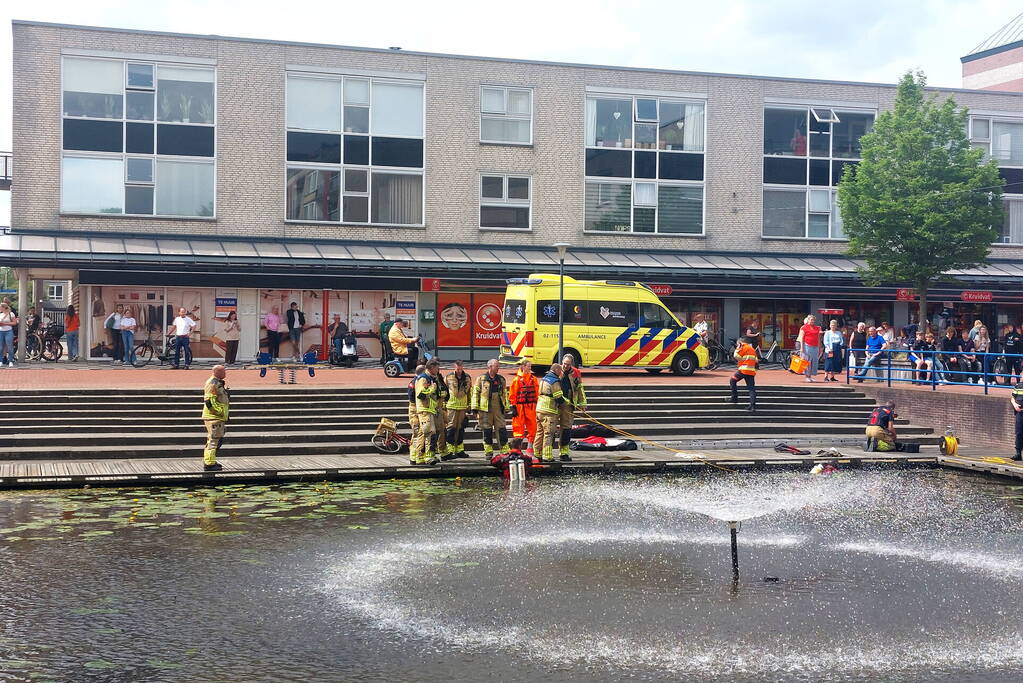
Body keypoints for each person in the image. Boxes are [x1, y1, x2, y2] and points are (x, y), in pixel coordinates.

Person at [471, 358, 510, 458]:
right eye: (496, 366)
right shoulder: (481, 378)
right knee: (487, 431)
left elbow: (504, 394)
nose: (498, 368)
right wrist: (474, 408)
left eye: (498, 366)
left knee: (501, 429)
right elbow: (476, 393)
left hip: (498, 408)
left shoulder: (501, 379)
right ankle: (488, 451)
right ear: (490, 367)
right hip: (485, 409)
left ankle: (504, 450)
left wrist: (507, 407)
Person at [412, 359, 443, 466]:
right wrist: (432, 389)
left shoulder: (431, 378)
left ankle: (420, 457)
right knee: (430, 433)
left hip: (430, 409)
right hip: (425, 410)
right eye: (437, 368)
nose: (438, 370)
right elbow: (421, 394)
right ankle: (429, 456)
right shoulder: (423, 379)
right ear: (432, 368)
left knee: (422, 434)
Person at [558, 354, 587, 461]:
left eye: (568, 364)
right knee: (550, 430)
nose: (565, 366)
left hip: (569, 404)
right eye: (564, 364)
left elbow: (580, 389)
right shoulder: (556, 370)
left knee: (566, 429)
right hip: (556, 404)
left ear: (572, 364)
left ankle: (564, 452)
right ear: (562, 362)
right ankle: (546, 453)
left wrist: (582, 403)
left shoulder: (576, 373)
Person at [534, 363, 565, 462]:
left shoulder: (543, 379)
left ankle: (537, 453)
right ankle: (547, 456)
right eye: (560, 371)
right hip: (549, 411)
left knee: (540, 432)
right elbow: (558, 397)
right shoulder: (554, 381)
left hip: (539, 409)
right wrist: (567, 402)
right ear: (556, 370)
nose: (561, 373)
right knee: (549, 433)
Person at [201, 364, 230, 471]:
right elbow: (209, 401)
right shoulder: (212, 383)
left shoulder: (217, 383)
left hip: (217, 417)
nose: (225, 373)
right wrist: (219, 412)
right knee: (214, 440)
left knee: (216, 439)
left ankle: (210, 460)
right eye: (223, 371)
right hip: (214, 417)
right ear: (217, 372)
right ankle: (209, 463)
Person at [510, 360, 539, 453]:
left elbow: (537, 392)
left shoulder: (533, 379)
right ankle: (518, 448)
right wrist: (513, 407)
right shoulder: (516, 380)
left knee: (533, 426)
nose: (530, 368)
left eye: (530, 367)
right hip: (519, 407)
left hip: (531, 406)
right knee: (518, 427)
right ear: (523, 367)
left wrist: (538, 404)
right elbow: (512, 394)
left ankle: (530, 447)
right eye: (529, 366)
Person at [444, 359, 472, 458]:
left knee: (461, 429)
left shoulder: (467, 378)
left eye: (460, 369)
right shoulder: (448, 377)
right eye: (457, 369)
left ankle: (460, 450)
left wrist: (470, 405)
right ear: (454, 367)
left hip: (463, 407)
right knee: (451, 429)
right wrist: (444, 405)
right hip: (451, 406)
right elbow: (444, 391)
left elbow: (470, 392)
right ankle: (450, 450)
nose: (459, 371)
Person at [728, 331, 758, 412]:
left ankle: (734, 398)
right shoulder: (752, 349)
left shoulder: (742, 346)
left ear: (741, 342)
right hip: (751, 371)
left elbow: (736, 356)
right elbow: (756, 361)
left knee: (732, 380)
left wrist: (738, 348)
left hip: (743, 370)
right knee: (751, 388)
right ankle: (752, 406)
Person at [406, 364, 426, 465]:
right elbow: (412, 398)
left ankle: (417, 457)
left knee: (419, 434)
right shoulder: (414, 383)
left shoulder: (416, 382)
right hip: (415, 411)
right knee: (417, 433)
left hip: (418, 410)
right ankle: (415, 457)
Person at [796, 314, 822, 382]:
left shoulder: (817, 328)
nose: (812, 321)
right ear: (808, 320)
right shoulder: (804, 327)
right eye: (811, 320)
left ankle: (810, 376)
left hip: (815, 346)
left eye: (813, 320)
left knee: (814, 361)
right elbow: (801, 338)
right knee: (807, 361)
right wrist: (802, 348)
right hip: (807, 345)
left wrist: (819, 347)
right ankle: (807, 376)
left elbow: (818, 338)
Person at [0, 302, 17, 368]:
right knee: (0, 347)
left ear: (4, 307)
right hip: (1, 331)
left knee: (10, 347)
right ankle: (0, 361)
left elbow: (14, 323)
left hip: (8, 331)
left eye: (0, 307)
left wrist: (4, 324)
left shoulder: (11, 314)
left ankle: (10, 361)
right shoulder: (0, 314)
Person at [1012, 381, 1023, 460]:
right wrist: (1015, 405)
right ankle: (1018, 454)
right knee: (1019, 433)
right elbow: (1012, 398)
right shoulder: (1019, 386)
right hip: (1020, 413)